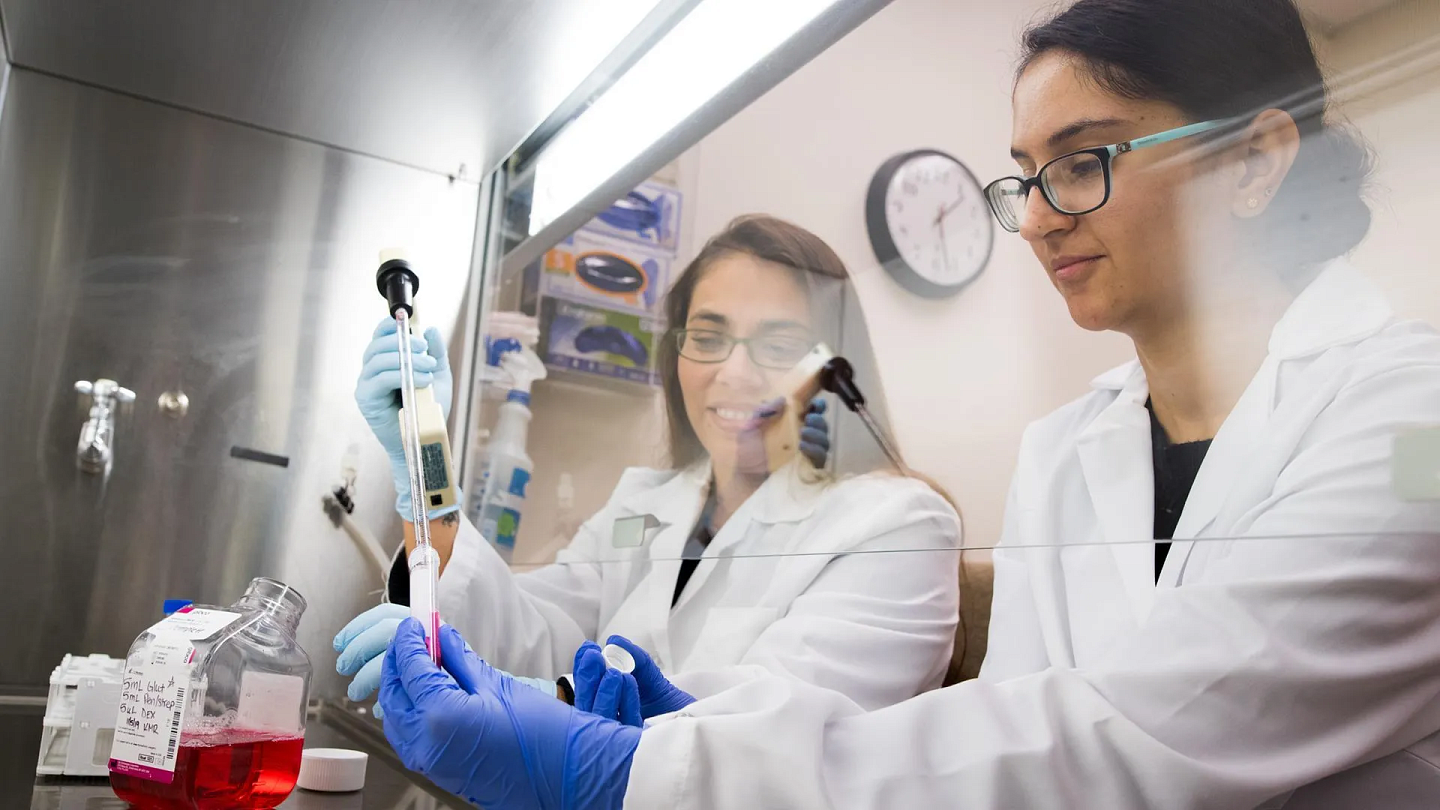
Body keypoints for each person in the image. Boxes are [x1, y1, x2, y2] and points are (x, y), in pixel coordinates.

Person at [372, 1, 1440, 807]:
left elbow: (1135, 731)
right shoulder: (1067, 450)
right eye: (1026, 175)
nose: (1035, 221)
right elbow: (1000, 741)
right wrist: (703, 739)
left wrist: (653, 770)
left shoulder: (1412, 419)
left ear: (1255, 158)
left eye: (1083, 162)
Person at [337, 214, 963, 719]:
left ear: (833, 368)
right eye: (709, 337)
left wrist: (539, 699)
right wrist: (423, 459)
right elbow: (530, 634)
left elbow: (767, 730)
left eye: (779, 346)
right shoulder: (646, 503)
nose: (734, 373)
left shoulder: (899, 525)